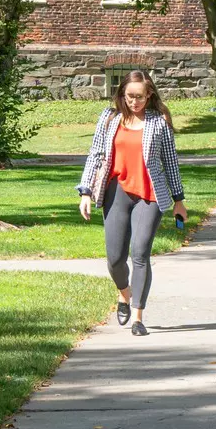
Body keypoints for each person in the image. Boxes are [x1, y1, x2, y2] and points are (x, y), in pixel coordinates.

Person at [78, 70, 186, 336]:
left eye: (139, 97)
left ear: (149, 95)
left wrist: (179, 200)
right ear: (122, 94)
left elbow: (170, 162)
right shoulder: (109, 118)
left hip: (149, 195)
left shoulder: (158, 122)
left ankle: (138, 316)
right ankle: (124, 293)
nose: (134, 102)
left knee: (139, 253)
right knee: (115, 259)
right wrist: (86, 191)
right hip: (117, 191)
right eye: (129, 96)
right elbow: (96, 154)